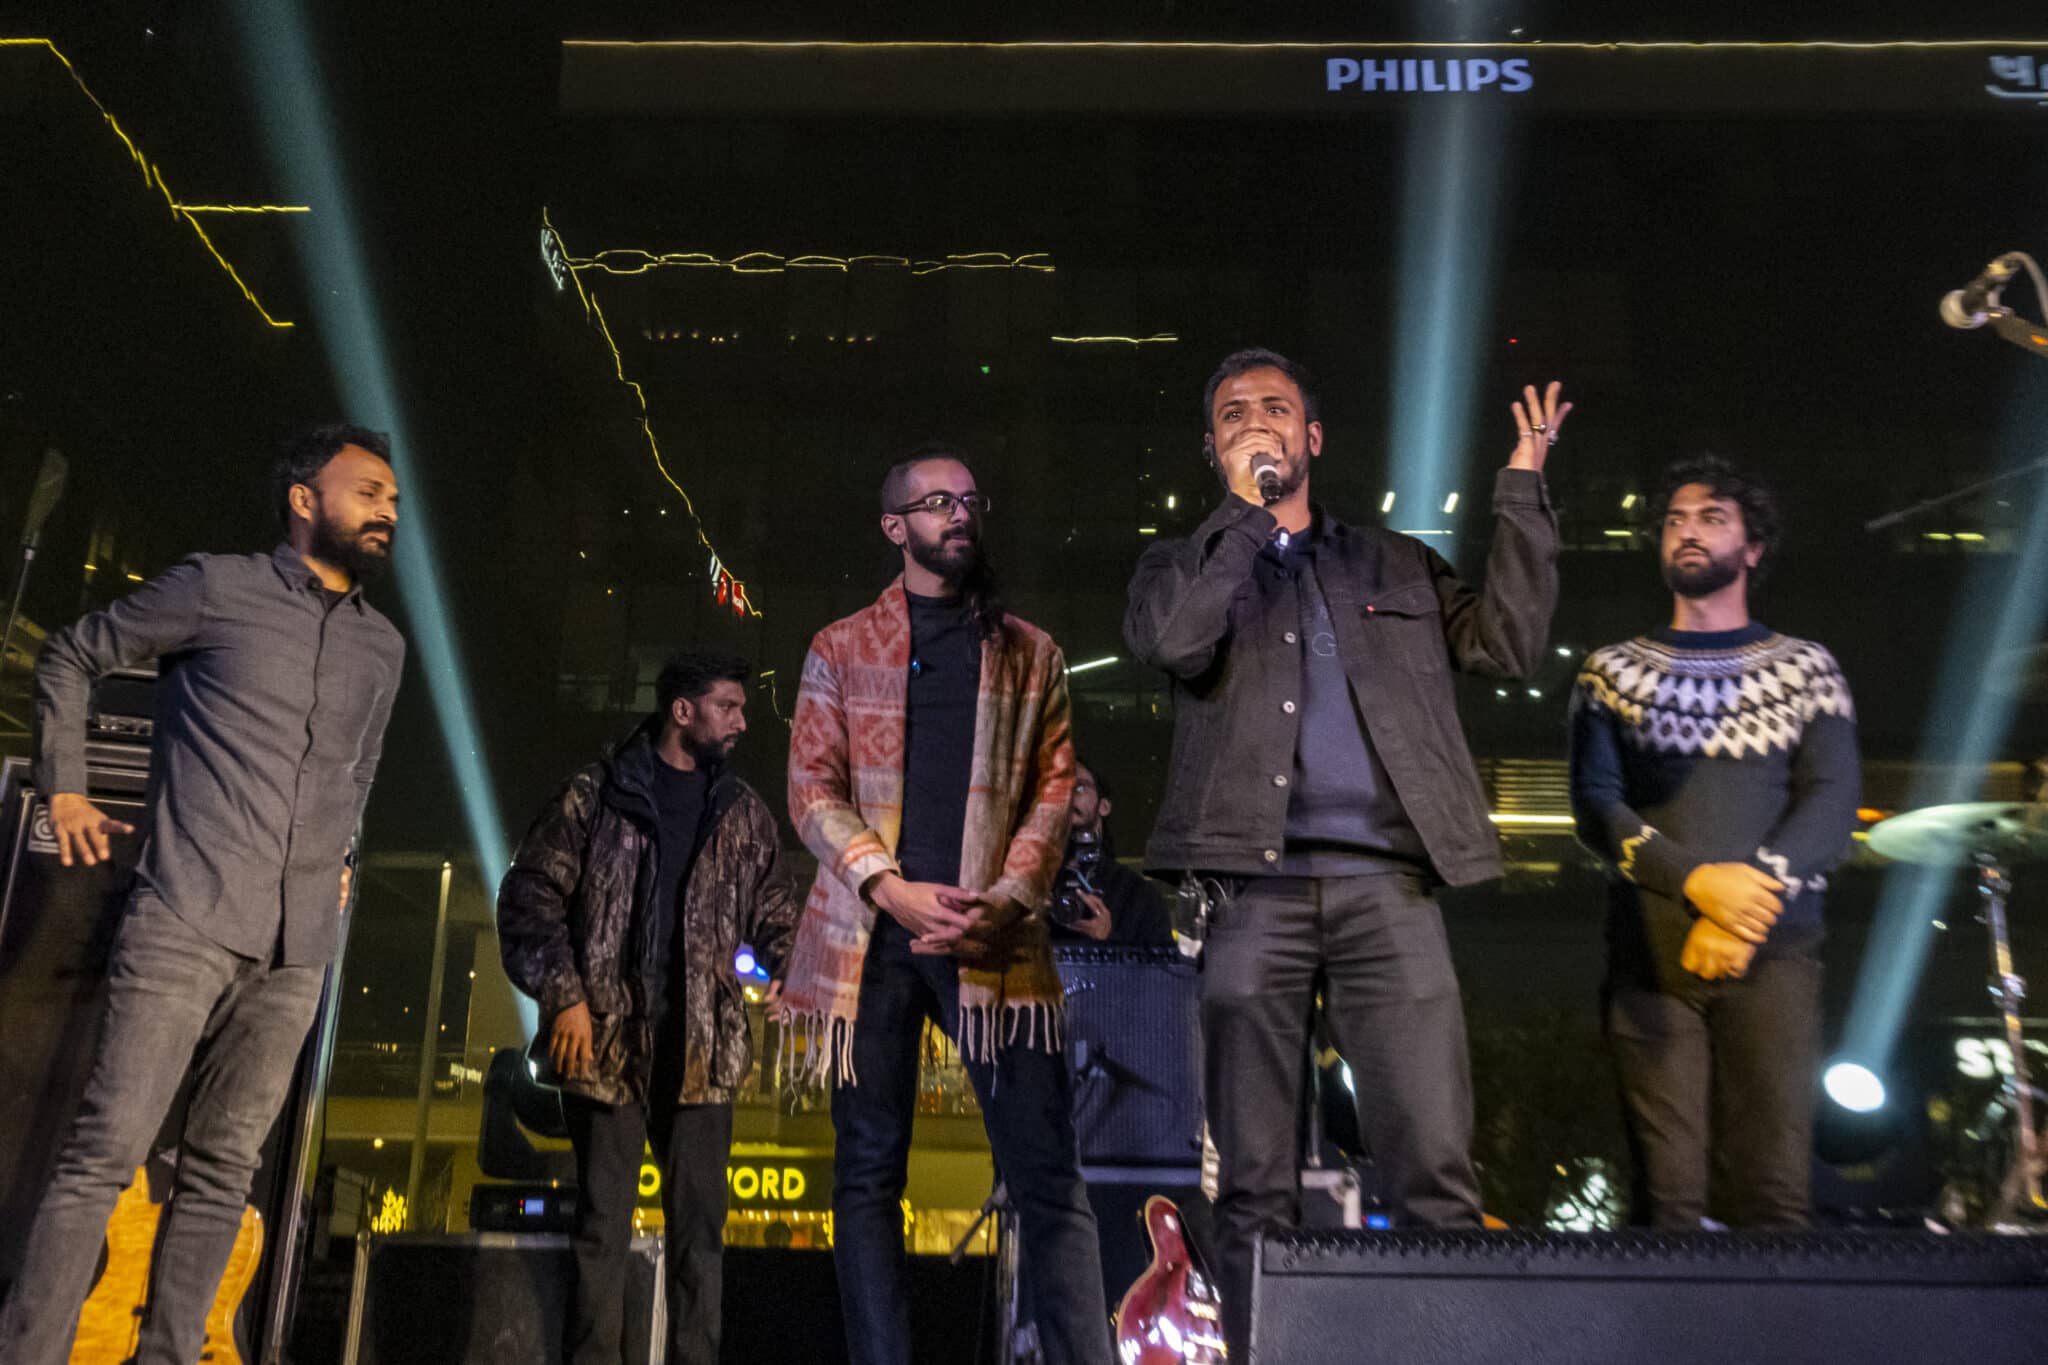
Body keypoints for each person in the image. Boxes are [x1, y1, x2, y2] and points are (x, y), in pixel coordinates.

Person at [1125, 348, 1568, 1357]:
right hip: (1250, 891)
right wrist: (1242, 520)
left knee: (1432, 1171)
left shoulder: (1395, 562)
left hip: (1387, 889)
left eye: (1274, 407)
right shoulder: (1176, 565)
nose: (1255, 421)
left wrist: (1522, 490)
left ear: (1312, 436)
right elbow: (1175, 642)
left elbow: (1507, 644)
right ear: (1213, 448)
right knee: (1253, 1184)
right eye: (1232, 413)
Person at [0, 424, 405, 1365]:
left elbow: (362, 763)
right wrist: (65, 787)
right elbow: (71, 654)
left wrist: (343, 852)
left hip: (299, 947)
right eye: (367, 492)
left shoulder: (382, 646)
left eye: (392, 499)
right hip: (186, 913)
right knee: (107, 1150)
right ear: (303, 500)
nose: (386, 510)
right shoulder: (217, 587)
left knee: (225, 1170)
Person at [780, 443, 1111, 1365]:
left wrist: (1003, 901)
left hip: (992, 939)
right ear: (895, 527)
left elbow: (1054, 791)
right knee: (867, 1176)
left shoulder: (1031, 652)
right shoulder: (840, 646)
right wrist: (889, 887)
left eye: (968, 500)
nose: (959, 513)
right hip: (871, 938)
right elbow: (810, 786)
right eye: (936, 502)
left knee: (1047, 1173)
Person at [1570, 455, 1858, 1229]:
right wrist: (1699, 884)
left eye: (1712, 518)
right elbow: (1596, 807)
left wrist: (1742, 910)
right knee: (1666, 1203)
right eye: (1675, 519)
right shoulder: (1610, 671)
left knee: (1773, 1196)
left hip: (1776, 957)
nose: (1689, 531)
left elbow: (1832, 802)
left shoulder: (1806, 667)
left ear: (1753, 546)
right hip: (1649, 960)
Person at [498, 649, 798, 1364]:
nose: (742, 721)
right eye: (728, 706)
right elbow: (529, 896)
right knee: (602, 1230)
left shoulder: (743, 813)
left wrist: (793, 973)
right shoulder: (595, 795)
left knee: (701, 1241)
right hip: (605, 1050)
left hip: (703, 1057)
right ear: (682, 710)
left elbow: (780, 914)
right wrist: (564, 996)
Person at [1049, 761, 1172, 946]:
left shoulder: (1138, 896)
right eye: (1057, 789)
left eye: (1079, 787)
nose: (1066, 795)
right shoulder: (1030, 887)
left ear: (1104, 806)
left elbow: (1159, 961)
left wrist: (1109, 940)